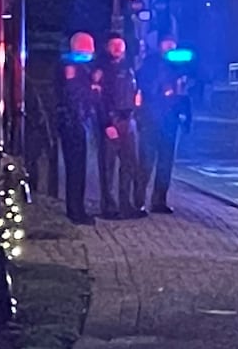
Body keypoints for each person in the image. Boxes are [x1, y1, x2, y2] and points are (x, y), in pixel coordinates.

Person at [138, 36, 193, 214]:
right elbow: (146, 87)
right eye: (167, 44)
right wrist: (164, 86)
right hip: (152, 119)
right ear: (160, 46)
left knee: (166, 162)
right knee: (146, 162)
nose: (170, 48)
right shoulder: (151, 64)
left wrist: (186, 117)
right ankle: (138, 200)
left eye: (173, 45)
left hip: (171, 120)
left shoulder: (179, 66)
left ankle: (159, 200)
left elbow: (185, 94)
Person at [98, 34, 146, 219]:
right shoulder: (103, 70)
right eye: (114, 45)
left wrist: (137, 112)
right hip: (112, 120)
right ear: (107, 48)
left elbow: (136, 92)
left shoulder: (130, 69)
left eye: (120, 45)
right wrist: (106, 123)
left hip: (129, 120)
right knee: (108, 166)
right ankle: (109, 207)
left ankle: (126, 205)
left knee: (129, 164)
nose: (118, 49)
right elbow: (99, 99)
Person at [55, 32, 98, 225]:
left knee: (78, 169)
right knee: (75, 168)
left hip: (77, 121)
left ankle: (77, 208)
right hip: (73, 123)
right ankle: (75, 210)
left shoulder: (78, 67)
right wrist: (91, 87)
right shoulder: (71, 67)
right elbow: (72, 94)